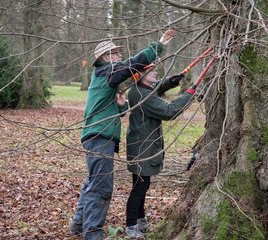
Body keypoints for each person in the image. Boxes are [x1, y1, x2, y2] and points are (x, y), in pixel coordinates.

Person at [69, 29, 176, 240]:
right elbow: (133, 64)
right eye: (116, 53)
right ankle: (92, 234)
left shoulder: (107, 80)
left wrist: (119, 106)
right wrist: (159, 45)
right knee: (101, 186)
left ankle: (78, 225)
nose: (120, 56)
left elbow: (106, 107)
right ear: (106, 57)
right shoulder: (106, 72)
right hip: (99, 138)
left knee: (92, 182)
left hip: (98, 136)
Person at [125, 63, 197, 238]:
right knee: (139, 187)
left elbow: (156, 89)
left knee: (142, 185)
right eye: (151, 71)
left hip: (141, 145)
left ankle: (140, 221)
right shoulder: (143, 95)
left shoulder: (139, 90)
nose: (156, 72)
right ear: (140, 75)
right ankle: (131, 226)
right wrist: (189, 95)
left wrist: (171, 82)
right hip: (143, 147)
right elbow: (169, 111)